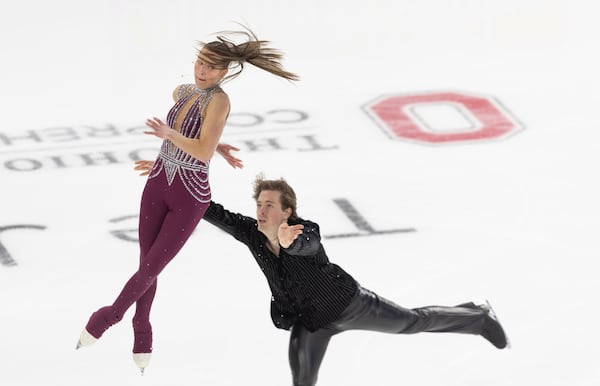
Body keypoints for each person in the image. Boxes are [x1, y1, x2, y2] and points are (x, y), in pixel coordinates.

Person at [135, 160, 510, 386]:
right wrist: (167, 178)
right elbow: (207, 208)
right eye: (259, 204)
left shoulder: (305, 231)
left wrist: (288, 241)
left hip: (351, 305)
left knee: (413, 323)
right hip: (309, 323)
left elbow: (306, 246)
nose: (262, 210)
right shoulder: (252, 232)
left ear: (288, 210)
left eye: (270, 205)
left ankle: (476, 316)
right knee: (302, 381)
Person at [76, 27, 298, 374]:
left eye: (210, 67)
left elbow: (201, 149)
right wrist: (174, 149)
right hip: (158, 181)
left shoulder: (220, 99)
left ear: (224, 72)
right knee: (145, 262)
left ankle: (109, 316)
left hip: (189, 196)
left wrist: (175, 136)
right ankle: (142, 329)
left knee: (152, 268)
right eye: (200, 62)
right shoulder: (183, 91)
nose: (202, 70)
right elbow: (201, 139)